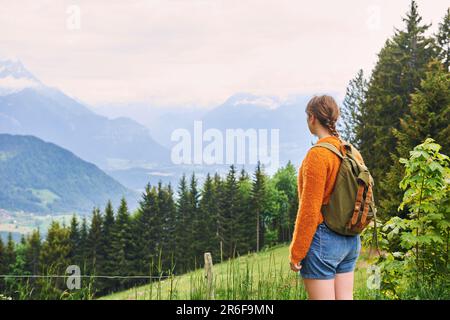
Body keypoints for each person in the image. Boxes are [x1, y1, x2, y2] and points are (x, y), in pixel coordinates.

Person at [289, 95, 364, 300]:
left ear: (312, 118)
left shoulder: (317, 155)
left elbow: (309, 209)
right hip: (351, 239)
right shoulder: (351, 151)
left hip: (325, 241)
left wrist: (297, 252)